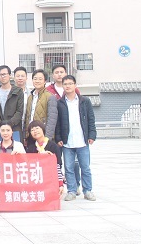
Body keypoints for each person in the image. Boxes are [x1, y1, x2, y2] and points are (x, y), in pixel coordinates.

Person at [55, 75, 97, 201]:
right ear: (62, 86)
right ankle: (72, 191)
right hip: (67, 141)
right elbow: (57, 123)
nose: (68, 86)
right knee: (68, 168)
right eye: (65, 84)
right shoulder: (60, 103)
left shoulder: (85, 101)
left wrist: (92, 135)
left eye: (70, 83)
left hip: (82, 140)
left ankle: (87, 190)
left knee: (85, 167)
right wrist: (58, 138)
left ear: (75, 85)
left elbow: (91, 119)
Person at [46, 64, 82, 193]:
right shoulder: (48, 90)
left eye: (61, 72)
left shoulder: (74, 90)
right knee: (57, 160)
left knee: (74, 161)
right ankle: (58, 185)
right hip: (54, 130)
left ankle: (76, 185)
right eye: (56, 72)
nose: (59, 74)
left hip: (70, 131)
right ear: (53, 75)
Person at [0, 64, 25, 142]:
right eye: (0, 75)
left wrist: (9, 124)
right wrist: (1, 124)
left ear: (10, 75)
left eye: (5, 74)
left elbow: (19, 111)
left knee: (15, 149)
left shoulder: (18, 91)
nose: (3, 76)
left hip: (14, 128)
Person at [27, 119, 64, 195]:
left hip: (49, 180)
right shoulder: (31, 148)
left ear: (43, 129)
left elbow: (57, 166)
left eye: (37, 128)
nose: (35, 131)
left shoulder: (53, 146)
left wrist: (60, 184)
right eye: (32, 130)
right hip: (36, 180)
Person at [24, 69, 58, 141]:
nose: (37, 81)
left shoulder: (50, 97)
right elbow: (27, 118)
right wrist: (26, 135)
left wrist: (47, 138)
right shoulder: (30, 97)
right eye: (35, 79)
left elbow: (52, 120)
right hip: (31, 136)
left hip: (43, 136)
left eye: (40, 79)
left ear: (45, 81)